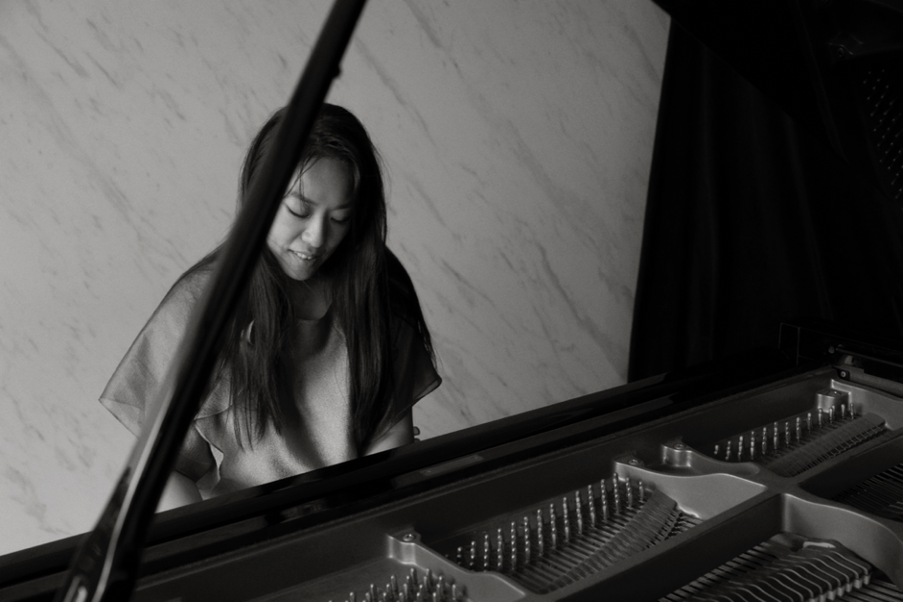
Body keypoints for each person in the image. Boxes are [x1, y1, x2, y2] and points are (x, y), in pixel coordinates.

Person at [100, 104, 441, 509]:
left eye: (340, 218)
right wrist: (218, 541)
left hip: (358, 521)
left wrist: (365, 526)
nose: (316, 237)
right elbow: (163, 468)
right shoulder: (201, 305)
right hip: (250, 531)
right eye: (298, 211)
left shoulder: (375, 286)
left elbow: (390, 439)